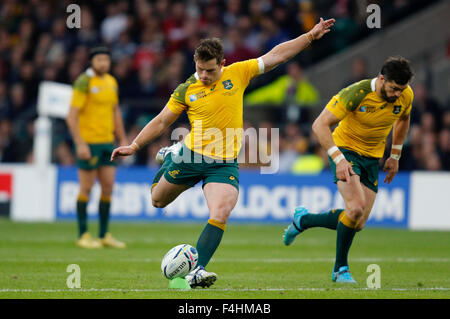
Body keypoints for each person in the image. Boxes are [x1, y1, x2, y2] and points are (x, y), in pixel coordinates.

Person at [111, 18, 335, 288]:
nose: (203, 76)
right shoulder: (187, 89)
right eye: (199, 69)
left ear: (222, 63)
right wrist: (134, 146)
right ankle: (172, 155)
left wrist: (310, 35)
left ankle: (197, 271)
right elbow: (161, 121)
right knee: (157, 201)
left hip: (224, 163)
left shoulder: (239, 73)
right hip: (191, 156)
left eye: (209, 70)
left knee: (220, 212)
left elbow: (276, 55)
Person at [283, 56, 414, 283]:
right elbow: (319, 125)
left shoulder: (405, 95)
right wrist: (339, 159)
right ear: (381, 79)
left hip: (372, 158)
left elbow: (404, 118)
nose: (397, 95)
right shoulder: (357, 93)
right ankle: (340, 269)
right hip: (346, 151)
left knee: (358, 222)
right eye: (393, 89)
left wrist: (395, 154)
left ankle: (303, 221)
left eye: (401, 90)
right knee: (355, 209)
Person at [66, 46, 128, 249]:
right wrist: (80, 142)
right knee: (86, 187)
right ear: (92, 61)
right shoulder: (84, 82)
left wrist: (122, 138)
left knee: (108, 186)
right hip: (88, 142)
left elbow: (115, 111)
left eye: (106, 60)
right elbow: (72, 116)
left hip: (106, 142)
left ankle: (103, 235)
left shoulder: (111, 82)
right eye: (99, 60)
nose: (103, 63)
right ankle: (83, 234)